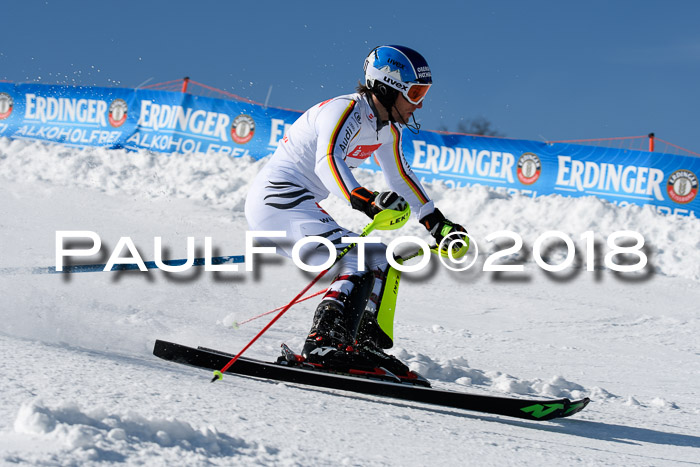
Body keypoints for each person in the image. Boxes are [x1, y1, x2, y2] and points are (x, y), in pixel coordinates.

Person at [245, 45, 467, 377]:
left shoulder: (388, 128)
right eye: (415, 93)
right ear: (387, 87)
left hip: (301, 204)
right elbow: (328, 160)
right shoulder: (345, 110)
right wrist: (364, 199)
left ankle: (361, 343)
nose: (420, 104)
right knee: (358, 257)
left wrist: (437, 223)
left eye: (424, 93)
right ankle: (323, 341)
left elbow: (401, 176)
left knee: (381, 257)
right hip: (277, 201)